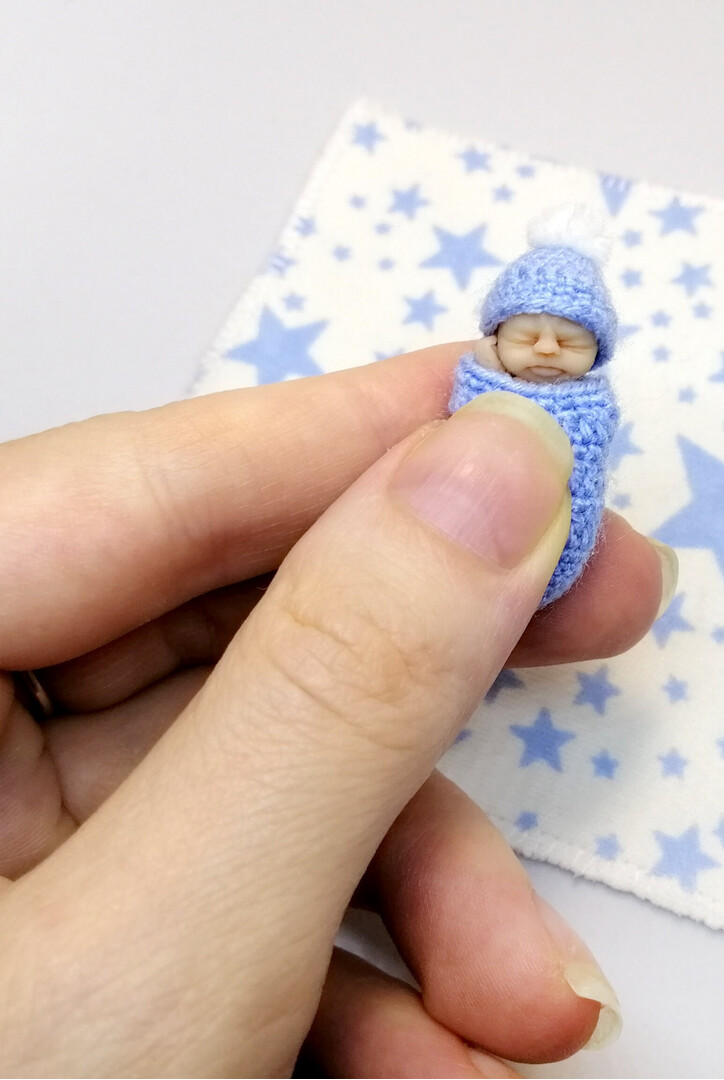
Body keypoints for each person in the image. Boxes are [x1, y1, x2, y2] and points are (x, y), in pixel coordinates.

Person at [0, 341, 677, 1077]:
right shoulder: (481, 397)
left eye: (568, 339)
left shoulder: (585, 409)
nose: (545, 348)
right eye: (527, 332)